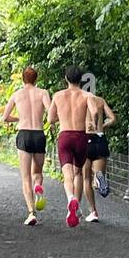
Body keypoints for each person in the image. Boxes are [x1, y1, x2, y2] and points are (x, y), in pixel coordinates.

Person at [1, 65, 51, 225]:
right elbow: (51, 113)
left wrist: (19, 119)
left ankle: (31, 213)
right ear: (36, 79)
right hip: (38, 134)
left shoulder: (17, 95)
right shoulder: (43, 93)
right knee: (37, 172)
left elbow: (5, 117)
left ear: (23, 78)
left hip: (23, 134)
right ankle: (38, 186)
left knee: (25, 178)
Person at [48, 65, 91, 227]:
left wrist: (62, 117)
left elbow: (50, 119)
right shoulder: (86, 96)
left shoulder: (58, 96)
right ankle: (77, 206)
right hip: (81, 136)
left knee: (67, 172)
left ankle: (70, 199)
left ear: (66, 78)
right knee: (78, 172)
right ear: (81, 79)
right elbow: (92, 115)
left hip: (65, 136)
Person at [81, 78, 117, 223]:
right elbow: (113, 118)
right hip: (100, 139)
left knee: (85, 179)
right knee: (99, 173)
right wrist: (102, 126)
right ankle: (100, 178)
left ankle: (93, 211)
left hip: (85, 139)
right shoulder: (100, 100)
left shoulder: (80, 100)